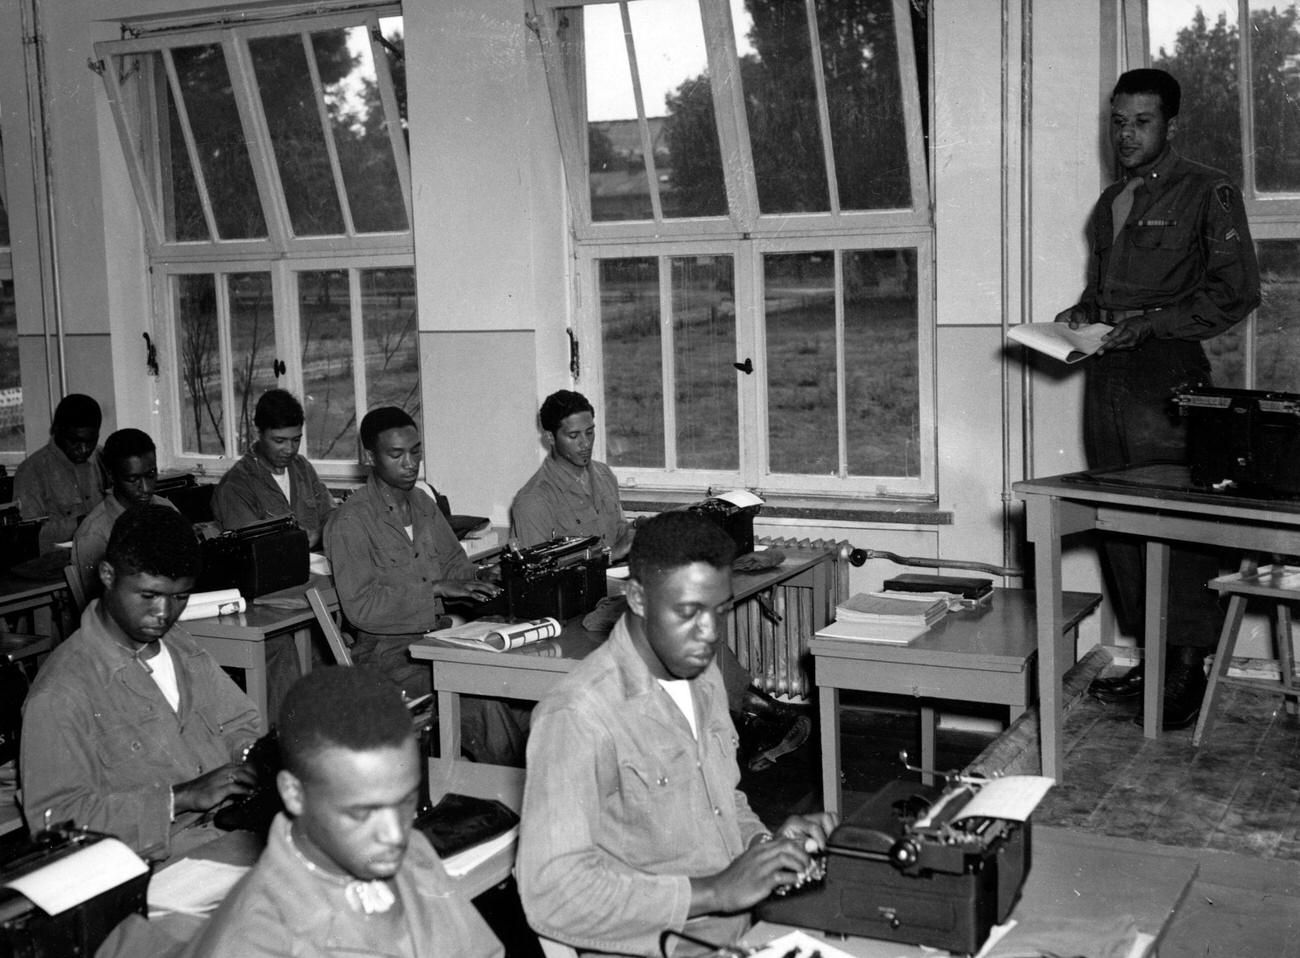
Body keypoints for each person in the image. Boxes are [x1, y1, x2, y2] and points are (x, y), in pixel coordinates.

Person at [517, 511, 837, 957]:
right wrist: (714, 892)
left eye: (720, 611)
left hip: (745, 933)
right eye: (688, 613)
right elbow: (552, 895)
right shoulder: (578, 717)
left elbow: (721, 802)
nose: (708, 635)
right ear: (638, 598)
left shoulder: (697, 672)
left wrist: (764, 848)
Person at [1054, 68, 1260, 730]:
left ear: (1171, 124)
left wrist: (1154, 324)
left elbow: (1235, 292)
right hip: (1108, 373)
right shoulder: (1112, 200)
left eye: (1141, 121)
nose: (1126, 134)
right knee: (1117, 517)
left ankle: (1188, 667)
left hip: (1167, 375)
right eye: (1117, 120)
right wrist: (1083, 311)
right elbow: (1107, 293)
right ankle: (1154, 656)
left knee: (1176, 520)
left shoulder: (1208, 190)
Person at [512, 389, 810, 770]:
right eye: (574, 436)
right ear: (550, 438)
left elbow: (617, 531)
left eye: (590, 432)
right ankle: (752, 719)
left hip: (620, 589)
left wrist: (638, 534)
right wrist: (610, 552)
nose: (585, 444)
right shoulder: (534, 500)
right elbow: (544, 578)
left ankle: (746, 720)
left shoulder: (602, 475)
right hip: (576, 611)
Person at [185, 666, 504, 958]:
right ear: (294, 794)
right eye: (363, 813)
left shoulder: (413, 853)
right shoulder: (256, 940)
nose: (395, 834)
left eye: (405, 802)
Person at [20, 504, 261, 860]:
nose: (164, 614)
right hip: (155, 861)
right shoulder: (61, 693)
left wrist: (252, 759)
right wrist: (180, 798)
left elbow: (240, 725)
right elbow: (55, 825)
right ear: (107, 575)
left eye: (179, 597)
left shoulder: (180, 646)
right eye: (148, 596)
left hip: (229, 831)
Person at [324, 406, 526, 764]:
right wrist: (436, 589)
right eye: (396, 454)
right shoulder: (349, 522)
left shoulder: (422, 504)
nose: (410, 463)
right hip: (388, 658)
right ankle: (506, 793)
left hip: (440, 638)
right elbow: (362, 608)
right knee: (481, 700)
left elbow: (454, 565)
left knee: (520, 679)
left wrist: (487, 579)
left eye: (415, 451)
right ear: (370, 457)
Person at [213, 389, 335, 550]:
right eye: (279, 440)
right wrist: (299, 540)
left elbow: (331, 514)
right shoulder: (236, 485)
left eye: (296, 440)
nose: (290, 449)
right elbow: (255, 548)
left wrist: (318, 533)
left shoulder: (302, 467)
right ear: (259, 433)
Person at [70, 428, 178, 602]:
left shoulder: (166, 509)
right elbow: (103, 605)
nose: (145, 488)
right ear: (112, 476)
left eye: (151, 475)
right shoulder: (94, 533)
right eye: (133, 479)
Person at [14, 393, 108, 554]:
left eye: (90, 441)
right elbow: (27, 536)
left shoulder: (104, 457)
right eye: (74, 441)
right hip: (57, 567)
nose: (84, 449)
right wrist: (83, 523)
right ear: (56, 430)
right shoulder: (31, 471)